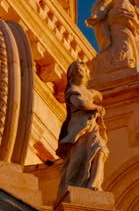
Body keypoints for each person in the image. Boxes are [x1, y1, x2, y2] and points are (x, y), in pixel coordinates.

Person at [56, 61, 109, 196]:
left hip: (93, 128)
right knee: (76, 160)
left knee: (100, 151)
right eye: (77, 69)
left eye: (82, 69)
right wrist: (95, 107)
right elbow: (80, 103)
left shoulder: (88, 92)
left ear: (87, 74)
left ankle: (93, 185)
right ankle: (68, 189)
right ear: (71, 75)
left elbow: (94, 94)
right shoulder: (72, 90)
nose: (80, 71)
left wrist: (97, 96)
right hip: (78, 131)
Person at [85, 0, 139, 74]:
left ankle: (123, 66)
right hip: (118, 24)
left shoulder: (130, 1)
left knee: (137, 51)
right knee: (123, 45)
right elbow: (103, 3)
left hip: (132, 27)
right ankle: (119, 67)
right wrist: (97, 15)